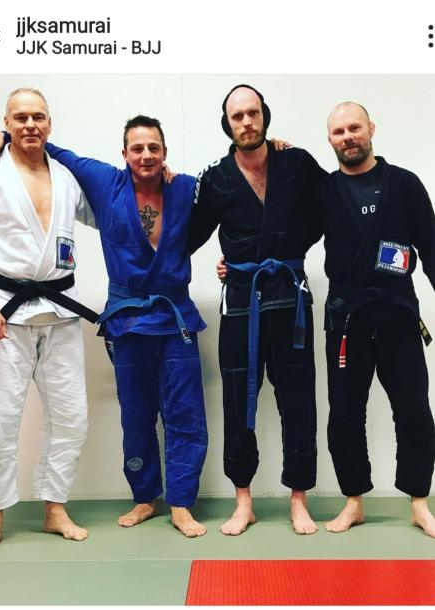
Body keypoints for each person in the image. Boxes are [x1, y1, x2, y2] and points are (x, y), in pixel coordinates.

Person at [0, 115, 209, 538]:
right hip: (128, 320)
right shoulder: (105, 182)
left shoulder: (184, 188)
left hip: (175, 316)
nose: (146, 155)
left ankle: (181, 503)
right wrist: (4, 134)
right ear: (124, 154)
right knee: (136, 415)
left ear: (165, 153)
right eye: (137, 148)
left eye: (154, 148)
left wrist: (277, 149)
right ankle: (145, 497)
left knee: (185, 414)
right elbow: (55, 149)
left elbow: (233, 187)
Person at [0, 88, 99, 551]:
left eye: (38, 116)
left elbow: (109, 214)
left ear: (50, 123)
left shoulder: (67, 177)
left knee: (71, 417)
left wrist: (158, 183)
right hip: (6, 311)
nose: (30, 125)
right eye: (20, 118)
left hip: (60, 310)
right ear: (6, 123)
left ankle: (54, 509)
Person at [189, 84, 327, 535]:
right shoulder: (216, 179)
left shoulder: (297, 163)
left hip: (291, 300)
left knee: (298, 401)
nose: (247, 122)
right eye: (237, 116)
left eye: (253, 113)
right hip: (241, 303)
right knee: (237, 401)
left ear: (264, 115)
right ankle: (243, 501)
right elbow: (186, 235)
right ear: (227, 124)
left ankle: (298, 499)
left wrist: (291, 250)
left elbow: (331, 208)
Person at [322, 101, 435, 537]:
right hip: (347, 320)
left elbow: (431, 247)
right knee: (345, 414)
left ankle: (419, 502)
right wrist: (235, 264)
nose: (347, 137)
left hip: (398, 315)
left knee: (414, 411)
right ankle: (354, 501)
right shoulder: (324, 190)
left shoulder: (404, 184)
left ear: (371, 128)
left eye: (354, 127)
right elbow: (286, 234)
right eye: (338, 132)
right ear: (330, 140)